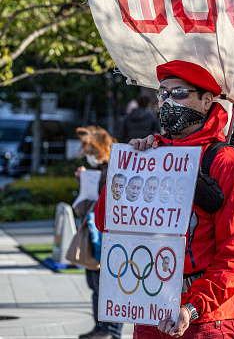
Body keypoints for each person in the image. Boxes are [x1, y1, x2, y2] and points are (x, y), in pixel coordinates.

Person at [94, 60, 234, 339]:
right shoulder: (150, 155)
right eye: (163, 93)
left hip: (205, 320)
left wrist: (191, 308)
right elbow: (104, 222)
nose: (168, 101)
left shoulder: (226, 163)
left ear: (207, 101)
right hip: (147, 309)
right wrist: (129, 169)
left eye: (179, 92)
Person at [74, 126, 123, 339]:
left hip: (107, 235)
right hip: (97, 234)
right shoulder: (101, 171)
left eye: (92, 152)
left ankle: (110, 331)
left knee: (107, 285)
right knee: (96, 284)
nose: (90, 158)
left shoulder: (114, 170)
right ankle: (101, 328)